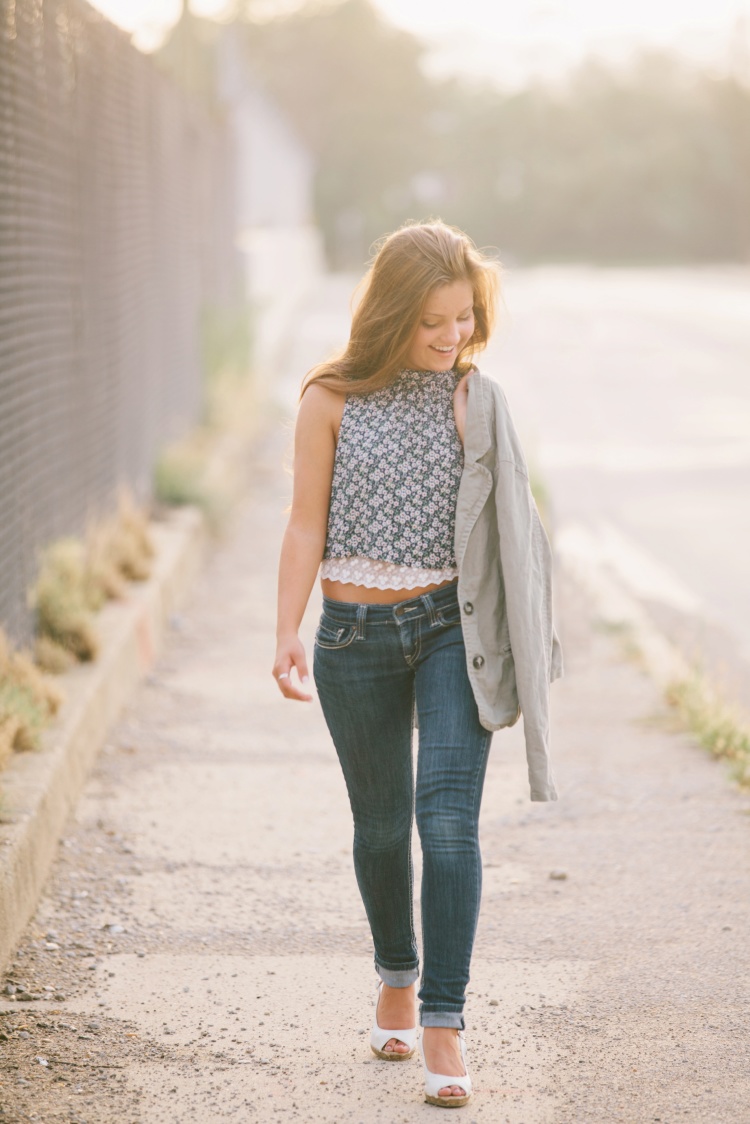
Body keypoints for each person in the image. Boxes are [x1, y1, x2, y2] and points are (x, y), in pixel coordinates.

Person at [273, 219, 561, 1109]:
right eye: (434, 320)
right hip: (354, 639)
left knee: (448, 826)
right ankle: (395, 973)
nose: (452, 336)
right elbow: (304, 524)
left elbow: (510, 526)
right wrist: (285, 629)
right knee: (380, 828)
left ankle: (443, 1017)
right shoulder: (328, 397)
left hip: (449, 632)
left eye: (465, 317)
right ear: (392, 313)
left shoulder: (474, 399)